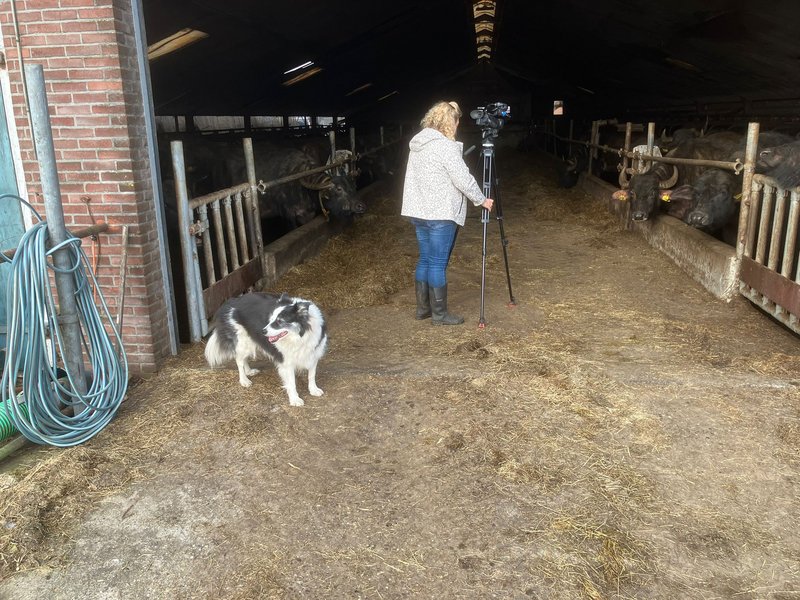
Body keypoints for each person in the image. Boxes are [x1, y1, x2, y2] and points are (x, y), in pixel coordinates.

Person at [401, 100, 494, 325]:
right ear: (449, 122)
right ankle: (440, 315)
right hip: (440, 213)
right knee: (437, 263)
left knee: (425, 259)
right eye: (456, 121)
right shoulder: (445, 146)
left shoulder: (418, 144)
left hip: (419, 210)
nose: (458, 125)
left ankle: (423, 309)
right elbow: (463, 179)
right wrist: (482, 200)